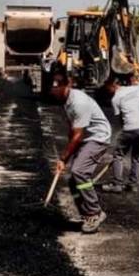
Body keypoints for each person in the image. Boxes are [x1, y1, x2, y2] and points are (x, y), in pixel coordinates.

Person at [49, 70, 112, 234]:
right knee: (73, 181)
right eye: (52, 88)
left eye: (57, 88)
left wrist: (63, 158)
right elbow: (72, 131)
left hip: (99, 137)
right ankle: (86, 215)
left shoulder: (79, 102)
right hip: (87, 138)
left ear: (67, 85)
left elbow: (78, 135)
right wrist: (66, 158)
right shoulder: (66, 101)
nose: (54, 92)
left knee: (80, 172)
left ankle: (95, 212)